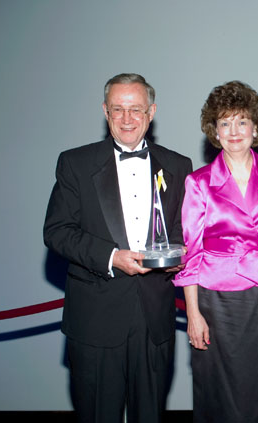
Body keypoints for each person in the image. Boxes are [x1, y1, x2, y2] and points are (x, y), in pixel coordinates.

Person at [43, 73, 193, 422]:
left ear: (151, 112)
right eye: (118, 110)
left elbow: (180, 230)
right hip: (95, 319)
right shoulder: (75, 164)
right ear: (105, 112)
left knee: (150, 415)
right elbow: (57, 231)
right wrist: (112, 257)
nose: (127, 119)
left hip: (154, 320)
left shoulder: (179, 165)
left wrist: (177, 256)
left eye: (136, 110)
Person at [173, 81, 258, 423]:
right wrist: (193, 315)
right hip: (215, 301)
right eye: (225, 123)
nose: (234, 130)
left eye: (241, 121)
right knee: (216, 389)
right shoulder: (198, 182)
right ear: (215, 131)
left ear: (257, 127)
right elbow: (191, 254)